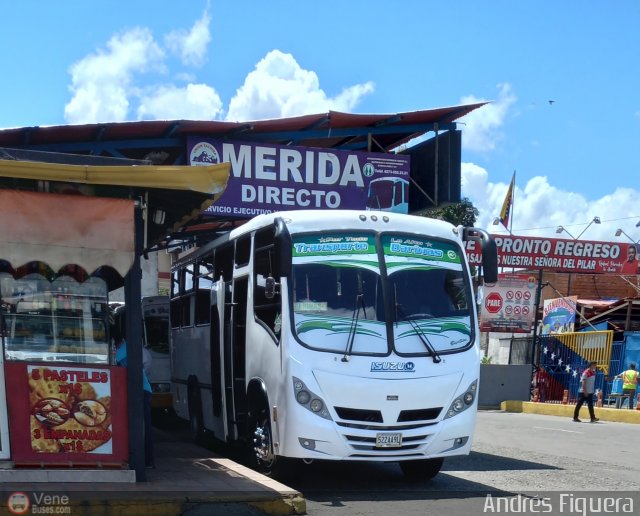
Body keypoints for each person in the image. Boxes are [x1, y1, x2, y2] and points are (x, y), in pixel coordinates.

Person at [115, 334, 155, 468]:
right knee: (143, 427)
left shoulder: (124, 351)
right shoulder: (127, 348)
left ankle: (146, 460)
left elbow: (113, 361)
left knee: (143, 427)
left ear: (118, 342)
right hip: (142, 390)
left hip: (141, 391)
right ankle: (147, 460)